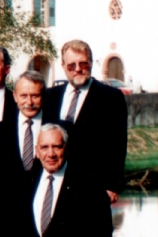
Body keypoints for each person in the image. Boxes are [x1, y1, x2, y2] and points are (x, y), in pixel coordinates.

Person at [44, 39, 127, 205]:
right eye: (71, 65)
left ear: (91, 63)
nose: (78, 69)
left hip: (93, 186)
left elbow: (118, 143)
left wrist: (112, 184)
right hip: (56, 184)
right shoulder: (50, 96)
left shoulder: (111, 97)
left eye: (83, 64)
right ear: (63, 66)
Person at [0, 71, 47, 175]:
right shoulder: (0, 130)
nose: (29, 102)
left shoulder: (59, 127)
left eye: (35, 96)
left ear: (44, 97)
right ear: (15, 96)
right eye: (24, 96)